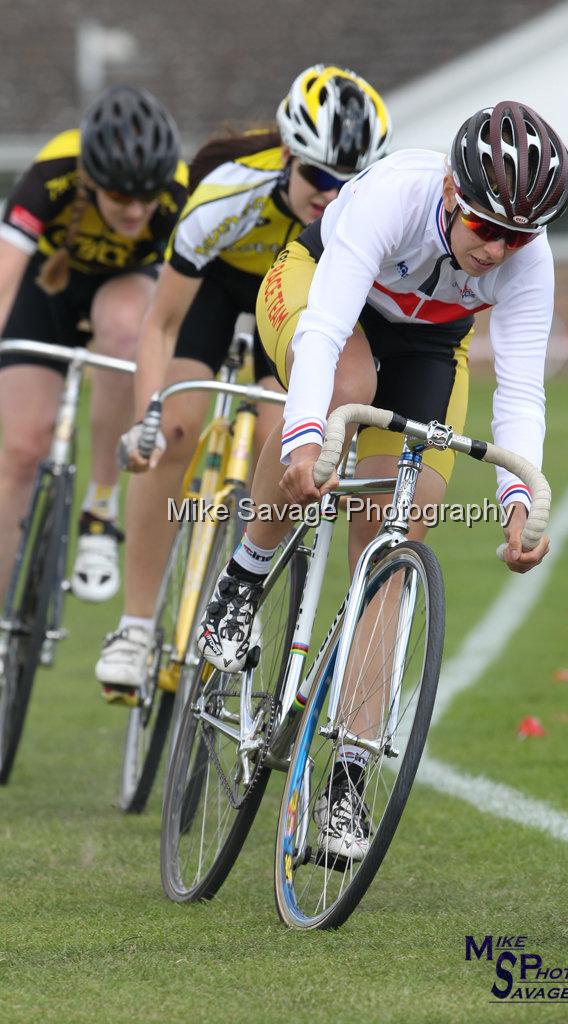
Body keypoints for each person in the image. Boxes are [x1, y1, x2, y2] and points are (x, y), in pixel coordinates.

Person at [195, 100, 568, 858]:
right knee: (344, 381)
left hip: (431, 344)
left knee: (397, 539)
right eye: (484, 228)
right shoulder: (393, 195)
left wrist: (519, 498)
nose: (498, 250)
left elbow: (521, 393)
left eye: (517, 236)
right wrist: (305, 438)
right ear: (448, 197)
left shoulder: (527, 261)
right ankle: (244, 576)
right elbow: (328, 328)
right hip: (324, 297)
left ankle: (344, 782)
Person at [95, 65, 392, 702]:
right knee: (176, 428)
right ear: (287, 156)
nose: (332, 195)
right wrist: (148, 416)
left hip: (290, 305)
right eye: (318, 177)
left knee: (281, 443)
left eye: (348, 183)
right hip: (216, 291)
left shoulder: (364, 216)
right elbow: (161, 323)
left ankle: (244, 591)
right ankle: (135, 626)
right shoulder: (229, 193)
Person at [0, 85, 187, 609]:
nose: (137, 210)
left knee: (128, 326)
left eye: (147, 197)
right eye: (122, 198)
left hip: (125, 287)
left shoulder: (178, 193)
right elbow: (6, 274)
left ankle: (100, 508)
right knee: (21, 452)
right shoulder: (53, 171)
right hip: (48, 292)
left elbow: (188, 299)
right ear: (92, 182)